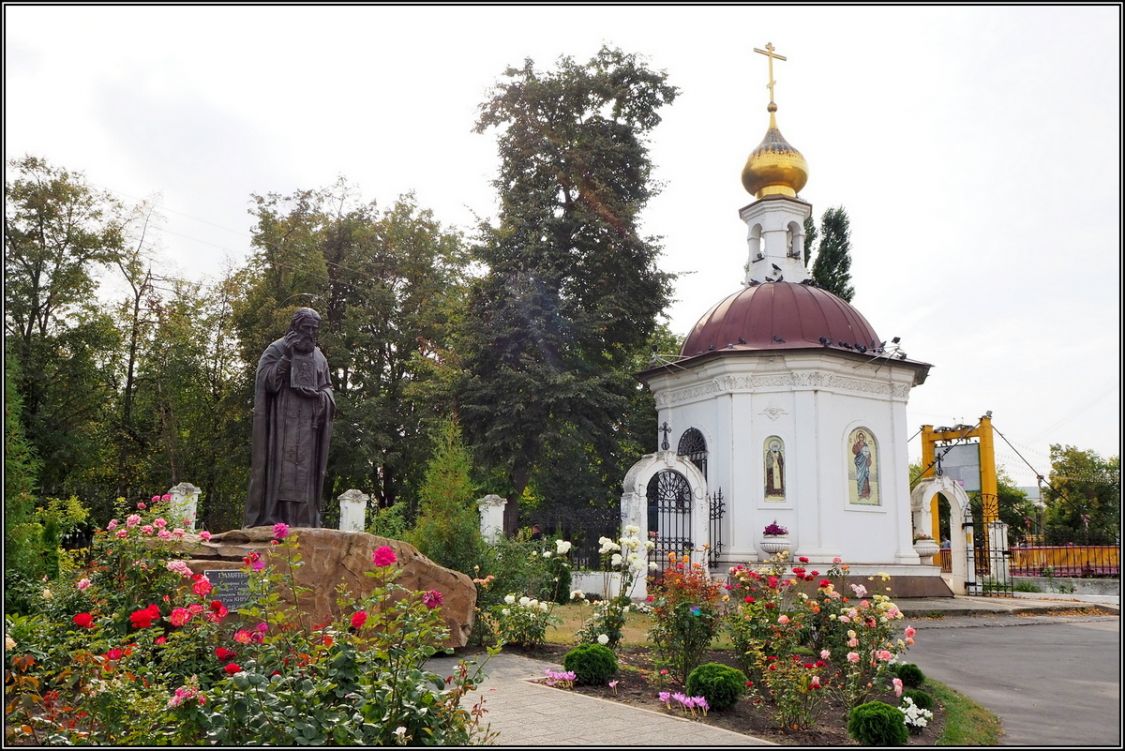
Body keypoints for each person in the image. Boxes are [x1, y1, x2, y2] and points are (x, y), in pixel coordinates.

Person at [244, 308, 335, 528]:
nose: (311, 333)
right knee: (281, 470)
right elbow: (268, 383)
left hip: (308, 427)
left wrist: (321, 396)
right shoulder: (276, 349)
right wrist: (286, 357)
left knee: (304, 474)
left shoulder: (319, 357)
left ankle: (303, 520)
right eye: (306, 328)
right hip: (280, 425)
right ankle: (273, 519)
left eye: (315, 329)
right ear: (295, 327)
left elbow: (328, 388)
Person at [851, 430, 872, 500]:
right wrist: (854, 445)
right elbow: (854, 451)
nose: (861, 438)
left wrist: (868, 458)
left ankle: (866, 494)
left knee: (865, 478)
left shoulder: (866, 445)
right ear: (858, 438)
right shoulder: (857, 444)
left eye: (862, 437)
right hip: (859, 464)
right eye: (860, 437)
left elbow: (868, 453)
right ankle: (860, 494)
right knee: (860, 478)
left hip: (865, 464)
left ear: (863, 438)